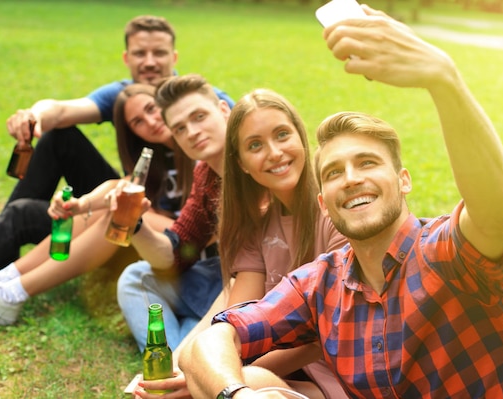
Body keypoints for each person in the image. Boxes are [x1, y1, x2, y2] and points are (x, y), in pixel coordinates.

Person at [179, 6, 503, 399]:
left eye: (367, 163)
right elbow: (215, 338)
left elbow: (493, 205)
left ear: (403, 181)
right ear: (323, 201)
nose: (350, 179)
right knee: (259, 388)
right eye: (333, 172)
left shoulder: (448, 253)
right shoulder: (321, 283)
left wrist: (444, 80)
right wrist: (236, 394)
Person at [0, 15, 233, 275]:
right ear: (127, 58)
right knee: (51, 155)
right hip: (137, 200)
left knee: (117, 206)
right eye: (140, 53)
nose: (149, 62)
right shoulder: (124, 96)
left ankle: (8, 276)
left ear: (173, 57)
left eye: (159, 53)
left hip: (170, 226)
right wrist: (35, 116)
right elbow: (62, 110)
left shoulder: (201, 103)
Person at [132, 89, 349, 399]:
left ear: (301, 137)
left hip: (346, 379)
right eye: (255, 145)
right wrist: (198, 368)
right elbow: (236, 317)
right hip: (293, 381)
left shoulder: (335, 213)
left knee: (246, 378)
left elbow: (317, 341)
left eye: (282, 134)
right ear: (242, 163)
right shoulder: (254, 224)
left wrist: (218, 374)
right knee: (209, 361)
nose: (274, 153)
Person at [0, 84, 193, 326]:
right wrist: (82, 204)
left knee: (121, 212)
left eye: (152, 109)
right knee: (116, 202)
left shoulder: (196, 140)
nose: (151, 121)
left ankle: (11, 293)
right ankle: (5, 279)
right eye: (138, 122)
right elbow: (120, 184)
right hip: (153, 237)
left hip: (183, 245)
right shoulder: (155, 154)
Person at [117, 73, 231, 353]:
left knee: (201, 334)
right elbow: (175, 255)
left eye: (199, 117)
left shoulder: (256, 162)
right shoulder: (205, 174)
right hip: (222, 280)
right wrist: (136, 225)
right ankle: (184, 363)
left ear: (224, 111)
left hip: (259, 293)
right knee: (136, 277)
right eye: (179, 128)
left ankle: (178, 365)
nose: (191, 132)